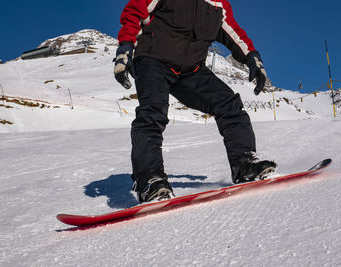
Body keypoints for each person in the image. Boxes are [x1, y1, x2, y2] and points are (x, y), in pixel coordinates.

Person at [114, 0, 277, 203]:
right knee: (152, 114)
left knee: (228, 103)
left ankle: (244, 163)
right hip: (153, 60)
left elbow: (233, 33)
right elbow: (135, 11)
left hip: (191, 70)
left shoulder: (218, 4)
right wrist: (125, 47)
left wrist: (252, 56)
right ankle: (149, 179)